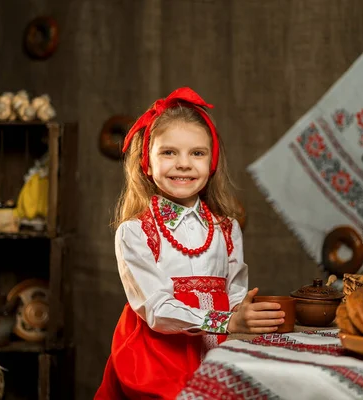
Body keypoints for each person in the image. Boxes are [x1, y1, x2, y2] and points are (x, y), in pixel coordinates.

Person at [95, 87, 285, 400]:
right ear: (147, 162)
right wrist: (226, 320)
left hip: (216, 350)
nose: (184, 164)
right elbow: (156, 308)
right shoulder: (136, 232)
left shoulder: (227, 228)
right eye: (168, 152)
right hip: (157, 357)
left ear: (211, 163)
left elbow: (234, 291)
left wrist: (247, 312)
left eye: (197, 153)